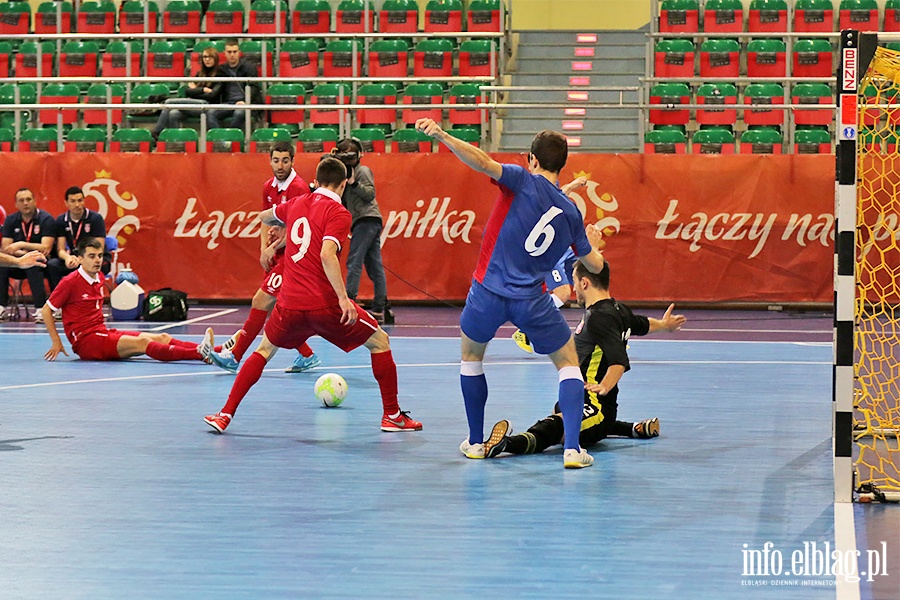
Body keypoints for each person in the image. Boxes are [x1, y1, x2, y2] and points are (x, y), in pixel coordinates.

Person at [415, 118, 606, 469]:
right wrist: (594, 246)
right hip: (532, 300)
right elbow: (593, 266)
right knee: (568, 366)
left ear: (532, 160)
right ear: (561, 165)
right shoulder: (571, 214)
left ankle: (474, 442)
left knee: (471, 359)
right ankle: (572, 450)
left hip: (486, 292)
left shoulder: (520, 180)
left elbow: (480, 161)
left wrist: (442, 135)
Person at [202, 157, 423, 434]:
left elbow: (263, 217)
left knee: (263, 351)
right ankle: (392, 415)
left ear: (315, 182)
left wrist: (282, 228)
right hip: (324, 305)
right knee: (380, 342)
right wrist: (344, 298)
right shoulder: (340, 213)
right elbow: (327, 254)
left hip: (289, 305)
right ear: (344, 184)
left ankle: (224, 414)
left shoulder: (296, 203)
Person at [482, 259, 686, 460]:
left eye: (574, 281)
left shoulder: (600, 317)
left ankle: (505, 445)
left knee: (555, 425)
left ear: (585, 283)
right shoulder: (617, 309)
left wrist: (605, 385)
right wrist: (664, 325)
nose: (573, 289)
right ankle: (632, 428)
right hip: (587, 402)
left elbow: (619, 361)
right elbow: (642, 324)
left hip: (596, 407)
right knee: (560, 409)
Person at [209, 141, 321, 375]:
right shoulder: (268, 187)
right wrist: (264, 249)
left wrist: (274, 248)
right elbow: (266, 219)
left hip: (293, 257)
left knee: (261, 302)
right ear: (269, 160)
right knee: (278, 309)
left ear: (293, 161)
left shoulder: (299, 188)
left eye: (285, 160)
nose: (280, 165)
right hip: (276, 254)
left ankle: (235, 356)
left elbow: (301, 230)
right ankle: (307, 354)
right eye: (276, 160)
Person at [42, 237, 216, 364]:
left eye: (99, 256)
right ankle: (200, 353)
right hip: (87, 343)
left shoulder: (99, 277)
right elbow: (46, 310)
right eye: (91, 256)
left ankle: (218, 352)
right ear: (80, 259)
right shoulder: (70, 282)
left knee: (162, 337)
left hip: (102, 332)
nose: (97, 260)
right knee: (144, 343)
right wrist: (56, 341)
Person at [512, 177, 588, 353]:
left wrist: (574, 183)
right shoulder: (533, 199)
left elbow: (563, 191)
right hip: (549, 253)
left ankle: (601, 333)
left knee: (589, 285)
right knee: (563, 294)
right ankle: (524, 329)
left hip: (566, 249)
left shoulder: (553, 191)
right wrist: (575, 183)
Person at [333, 138, 393, 325]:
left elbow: (370, 194)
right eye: (345, 155)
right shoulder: (342, 176)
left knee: (355, 260)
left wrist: (353, 183)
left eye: (352, 155)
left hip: (367, 219)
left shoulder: (363, 171)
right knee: (374, 265)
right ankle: (379, 306)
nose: (349, 158)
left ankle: (349, 300)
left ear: (360, 155)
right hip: (364, 221)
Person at [0, 188, 55, 322]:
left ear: (35, 201)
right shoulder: (11, 220)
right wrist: (23, 255)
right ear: (16, 204)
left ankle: (40, 308)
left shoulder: (46, 219)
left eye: (29, 199)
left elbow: (46, 247)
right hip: (17, 261)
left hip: (41, 262)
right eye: (21, 200)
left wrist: (20, 244)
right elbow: (6, 248)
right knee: (2, 265)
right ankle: (1, 307)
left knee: (33, 263)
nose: (25, 203)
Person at [152, 47, 222, 141]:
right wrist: (203, 90)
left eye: (210, 57)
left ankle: (156, 132)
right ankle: (176, 140)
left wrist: (196, 90)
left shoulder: (220, 74)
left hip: (208, 106)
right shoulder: (200, 73)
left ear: (215, 59)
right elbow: (188, 91)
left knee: (168, 102)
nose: (207, 59)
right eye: (205, 57)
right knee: (173, 113)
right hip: (193, 105)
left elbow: (212, 96)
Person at [47, 186, 107, 291]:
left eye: (80, 200)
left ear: (84, 201)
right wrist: (67, 258)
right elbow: (60, 249)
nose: (77, 205)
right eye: (73, 201)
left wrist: (82, 259)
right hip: (74, 258)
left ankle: (87, 299)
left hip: (93, 257)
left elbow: (99, 247)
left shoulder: (95, 218)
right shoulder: (61, 220)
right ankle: (57, 301)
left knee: (91, 264)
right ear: (66, 203)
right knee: (52, 265)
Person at [208, 39, 259, 130]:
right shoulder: (221, 69)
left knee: (239, 113)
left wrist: (245, 101)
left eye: (234, 52)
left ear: (239, 52)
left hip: (246, 103)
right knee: (210, 113)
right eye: (229, 52)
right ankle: (220, 140)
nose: (232, 54)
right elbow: (216, 88)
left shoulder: (248, 67)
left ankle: (231, 138)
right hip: (228, 103)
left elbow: (254, 87)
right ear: (225, 53)